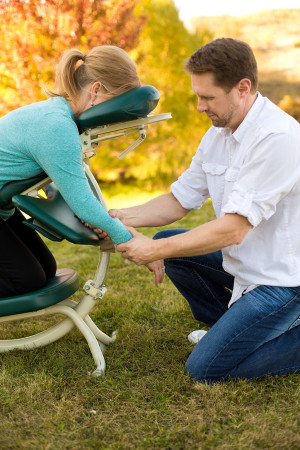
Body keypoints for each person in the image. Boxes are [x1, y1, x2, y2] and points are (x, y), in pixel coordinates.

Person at [101, 38, 300, 383]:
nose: (198, 107)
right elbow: (179, 201)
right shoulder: (218, 134)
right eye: (197, 95)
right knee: (173, 244)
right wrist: (117, 217)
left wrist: (153, 249)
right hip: (245, 266)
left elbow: (233, 230)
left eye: (208, 97)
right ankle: (228, 327)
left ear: (242, 88)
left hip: (284, 283)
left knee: (205, 369)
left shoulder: (278, 138)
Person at [0, 45, 147, 298]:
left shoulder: (59, 115)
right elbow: (84, 205)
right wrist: (129, 240)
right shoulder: (56, 125)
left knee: (46, 270)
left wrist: (95, 218)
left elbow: (62, 187)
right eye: (117, 103)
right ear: (96, 89)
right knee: (26, 280)